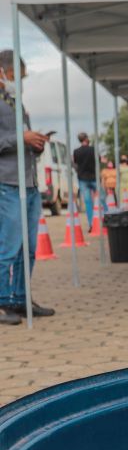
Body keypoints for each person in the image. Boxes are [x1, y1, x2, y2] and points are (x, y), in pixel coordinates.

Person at [0, 50, 55, 323]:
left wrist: (35, 142)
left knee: (28, 248)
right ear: (1, 73)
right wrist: (20, 137)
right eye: (14, 77)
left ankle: (20, 299)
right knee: (8, 248)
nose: (18, 82)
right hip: (8, 183)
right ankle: (3, 301)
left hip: (29, 182)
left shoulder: (15, 104)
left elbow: (20, 141)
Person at [73, 132, 99, 229]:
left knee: (88, 202)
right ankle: (105, 219)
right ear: (87, 139)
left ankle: (91, 223)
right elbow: (98, 160)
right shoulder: (93, 150)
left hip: (83, 179)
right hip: (94, 178)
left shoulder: (76, 151)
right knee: (101, 199)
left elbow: (75, 163)